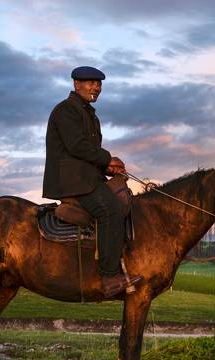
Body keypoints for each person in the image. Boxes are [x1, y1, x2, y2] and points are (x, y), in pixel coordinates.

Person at [42, 66, 141, 297]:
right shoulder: (66, 110)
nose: (96, 87)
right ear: (76, 83)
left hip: (86, 177)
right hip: (73, 181)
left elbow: (87, 153)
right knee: (111, 210)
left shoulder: (88, 114)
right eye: (90, 83)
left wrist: (107, 167)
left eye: (99, 84)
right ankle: (109, 277)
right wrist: (108, 158)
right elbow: (76, 146)